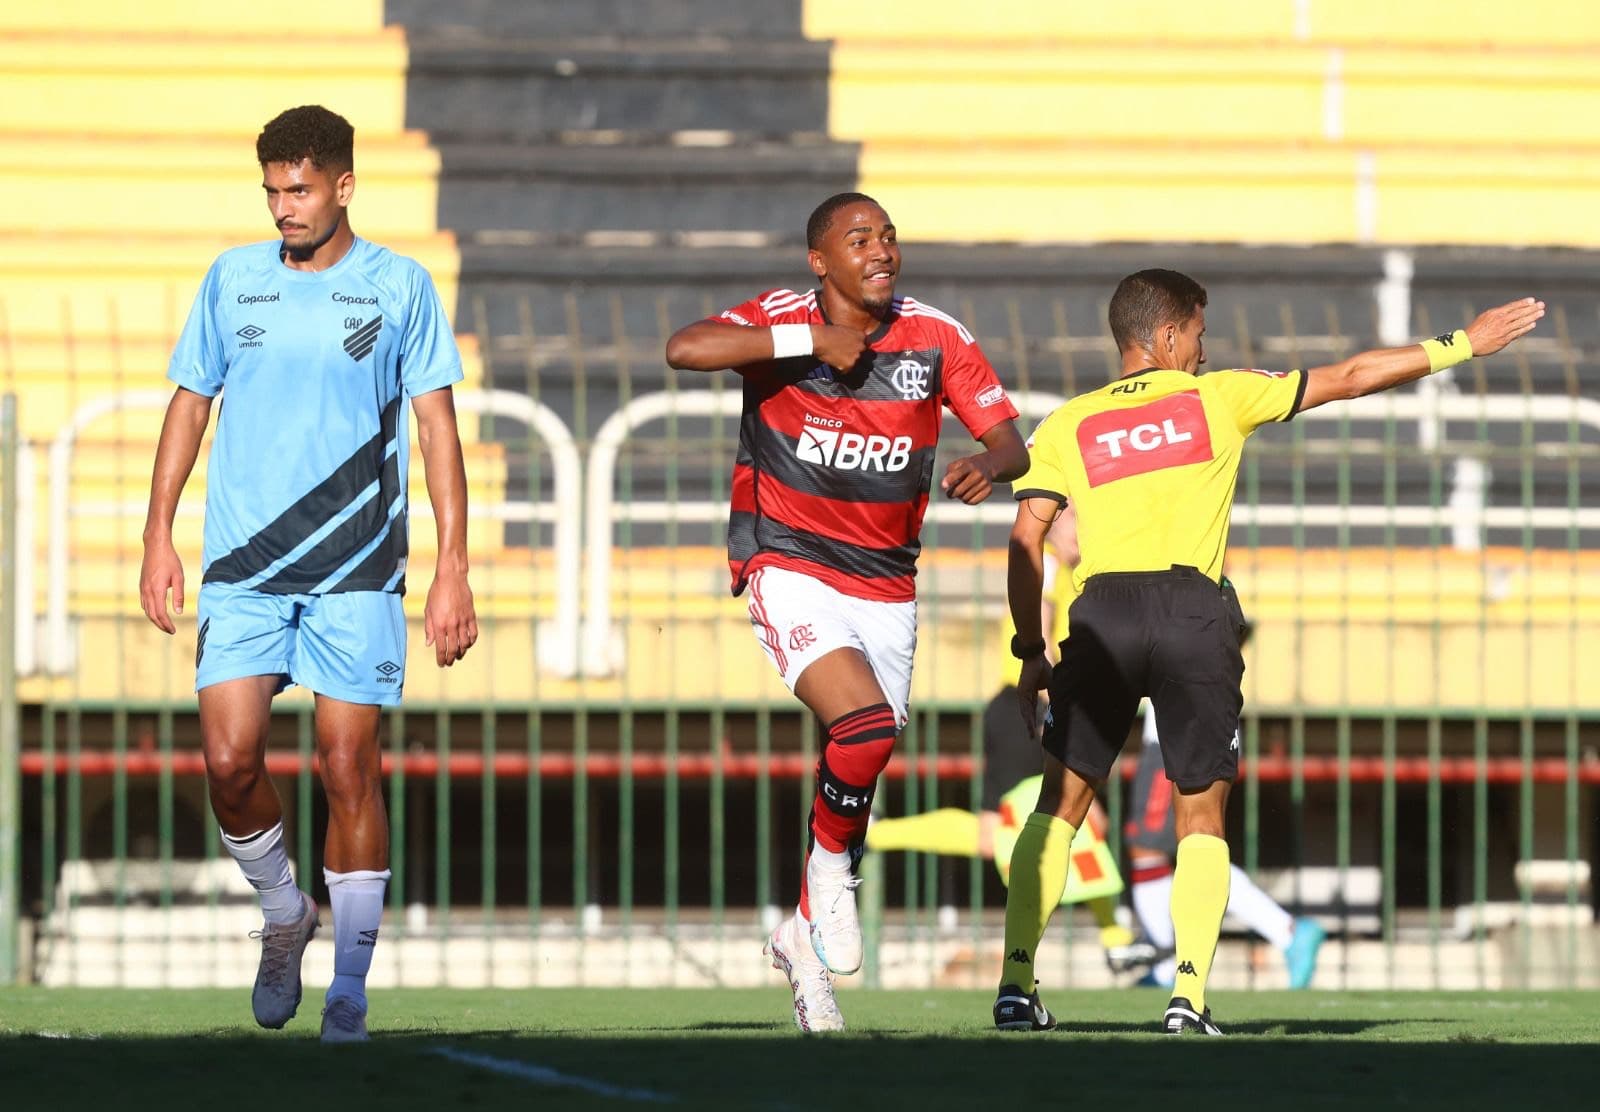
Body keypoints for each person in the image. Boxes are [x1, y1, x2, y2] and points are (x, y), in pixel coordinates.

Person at [994, 268, 1543, 1035]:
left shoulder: (1065, 424)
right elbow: (1350, 377)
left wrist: (1029, 650)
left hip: (1103, 613)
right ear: (1168, 335)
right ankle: (1187, 996)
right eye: (1200, 334)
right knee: (1201, 816)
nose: (1205, 350)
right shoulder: (1218, 398)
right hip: (1192, 610)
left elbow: (1026, 537)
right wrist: (1462, 345)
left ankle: (1016, 984)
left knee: (1061, 806)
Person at [139, 105, 477, 1043]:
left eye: (300, 190)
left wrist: (452, 567)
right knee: (229, 760)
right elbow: (187, 406)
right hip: (243, 568)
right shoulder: (232, 279)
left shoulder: (399, 287)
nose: (284, 207)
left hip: (357, 568)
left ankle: (351, 994)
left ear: (342, 186)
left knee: (346, 766)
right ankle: (285, 911)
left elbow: (437, 429)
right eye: (273, 191)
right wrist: (156, 534)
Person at [665, 192, 1029, 1032]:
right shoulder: (782, 318)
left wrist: (994, 462)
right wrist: (807, 343)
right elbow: (686, 348)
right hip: (785, 560)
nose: (882, 251)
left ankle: (801, 938)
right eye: (859, 239)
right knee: (863, 727)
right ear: (819, 261)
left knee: (864, 753)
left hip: (887, 582)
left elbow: (1011, 438)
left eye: (889, 237)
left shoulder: (934, 334)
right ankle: (830, 883)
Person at [864, 509, 1151, 971]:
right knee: (1057, 820)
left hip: (1030, 707)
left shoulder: (1070, 569)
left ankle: (1114, 939)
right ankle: (1112, 939)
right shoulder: (1052, 566)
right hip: (1033, 707)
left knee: (1055, 822)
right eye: (1078, 518)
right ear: (1057, 519)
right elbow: (1040, 631)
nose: (1086, 530)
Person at [1126, 673, 1325, 990]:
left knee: (1155, 848)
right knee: (1194, 843)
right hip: (1199, 722)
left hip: (1178, 727)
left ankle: (1284, 931)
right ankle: (1287, 932)